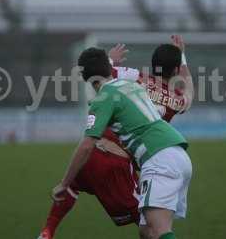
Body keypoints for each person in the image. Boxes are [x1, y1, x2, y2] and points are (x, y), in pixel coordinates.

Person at [50, 41, 192, 239]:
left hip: (158, 158)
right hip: (177, 153)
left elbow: (87, 145)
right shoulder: (133, 84)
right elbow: (188, 95)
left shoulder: (116, 91)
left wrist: (65, 183)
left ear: (85, 78)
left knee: (158, 231)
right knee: (146, 231)